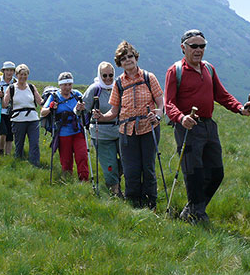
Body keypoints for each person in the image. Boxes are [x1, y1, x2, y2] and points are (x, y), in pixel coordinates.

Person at [164, 29, 250, 224]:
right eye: (194, 46)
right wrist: (181, 118)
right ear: (183, 48)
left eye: (202, 46)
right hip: (188, 127)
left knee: (216, 172)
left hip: (209, 126)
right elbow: (169, 103)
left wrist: (241, 108)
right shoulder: (175, 71)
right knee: (194, 172)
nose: (198, 50)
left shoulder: (209, 69)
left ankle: (192, 210)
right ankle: (197, 215)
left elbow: (221, 95)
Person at [92, 41, 164, 209]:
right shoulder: (118, 83)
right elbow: (114, 111)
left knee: (148, 167)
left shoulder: (148, 77)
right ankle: (133, 203)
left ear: (136, 57)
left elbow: (161, 103)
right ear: (120, 63)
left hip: (149, 128)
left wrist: (158, 115)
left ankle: (149, 202)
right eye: (123, 59)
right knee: (131, 169)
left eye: (130, 56)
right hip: (126, 131)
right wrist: (101, 117)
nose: (128, 60)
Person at [41, 72, 89, 181]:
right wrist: (51, 108)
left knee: (82, 156)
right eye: (65, 85)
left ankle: (84, 180)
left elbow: (86, 108)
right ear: (60, 85)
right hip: (63, 133)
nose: (67, 87)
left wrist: (82, 108)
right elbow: (43, 112)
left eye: (70, 84)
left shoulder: (77, 95)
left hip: (78, 131)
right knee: (66, 160)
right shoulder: (54, 97)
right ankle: (68, 180)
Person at [83, 61, 121, 195]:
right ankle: (115, 191)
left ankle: (118, 183)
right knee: (109, 164)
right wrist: (80, 109)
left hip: (120, 131)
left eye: (111, 75)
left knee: (127, 160)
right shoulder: (94, 89)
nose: (108, 78)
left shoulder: (119, 87)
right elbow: (83, 109)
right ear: (99, 75)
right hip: (101, 133)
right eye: (104, 75)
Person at [2, 64, 42, 167]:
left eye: (25, 74)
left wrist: (51, 102)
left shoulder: (31, 87)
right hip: (18, 120)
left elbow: (40, 101)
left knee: (35, 143)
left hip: (33, 119)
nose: (23, 77)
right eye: (21, 74)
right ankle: (18, 162)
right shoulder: (11, 88)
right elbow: (4, 105)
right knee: (19, 144)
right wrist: (1, 97)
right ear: (17, 75)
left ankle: (35, 164)